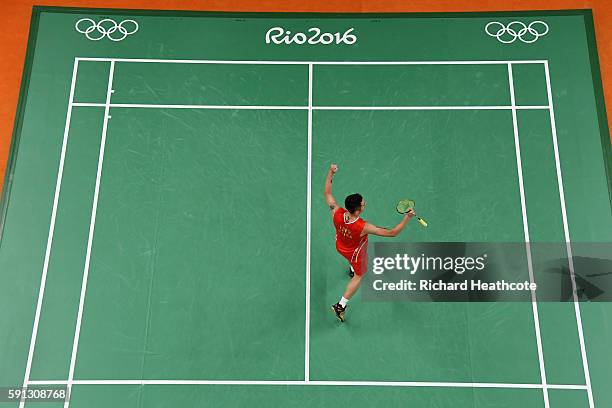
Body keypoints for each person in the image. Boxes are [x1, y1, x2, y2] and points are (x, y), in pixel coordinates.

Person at [324, 163, 415, 322]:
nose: (364, 203)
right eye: (362, 203)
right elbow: (392, 233)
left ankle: (351, 267)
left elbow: (327, 192)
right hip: (354, 252)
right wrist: (407, 218)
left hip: (340, 245)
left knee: (351, 261)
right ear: (358, 210)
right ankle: (340, 306)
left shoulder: (336, 212)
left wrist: (331, 172)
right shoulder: (363, 227)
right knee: (360, 275)